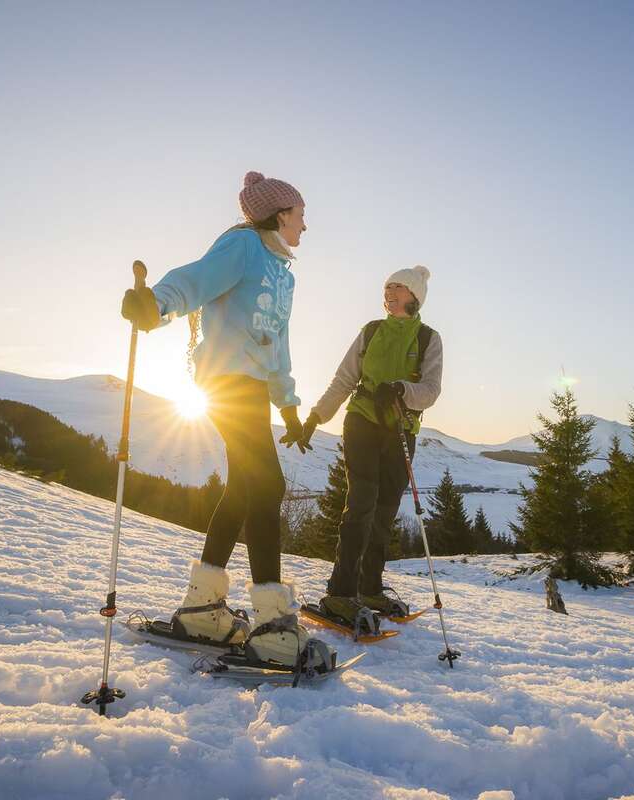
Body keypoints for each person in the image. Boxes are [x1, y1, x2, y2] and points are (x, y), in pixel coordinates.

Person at [120, 171, 330, 669]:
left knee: (243, 490)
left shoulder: (284, 272)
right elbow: (196, 279)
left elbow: (277, 344)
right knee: (267, 486)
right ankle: (273, 626)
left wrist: (290, 406)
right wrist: (157, 304)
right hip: (225, 380)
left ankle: (201, 609)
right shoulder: (242, 247)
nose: (306, 225)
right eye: (302, 215)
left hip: (253, 386)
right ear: (281, 215)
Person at [300, 266, 443, 626]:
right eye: (387, 286)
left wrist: (400, 389)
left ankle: (370, 587)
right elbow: (344, 379)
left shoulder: (428, 339)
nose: (390, 291)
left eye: (399, 286)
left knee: (385, 509)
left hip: (400, 429)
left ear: (415, 296)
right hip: (362, 420)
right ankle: (340, 592)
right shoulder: (371, 331)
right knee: (362, 501)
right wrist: (316, 417)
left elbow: (430, 391)